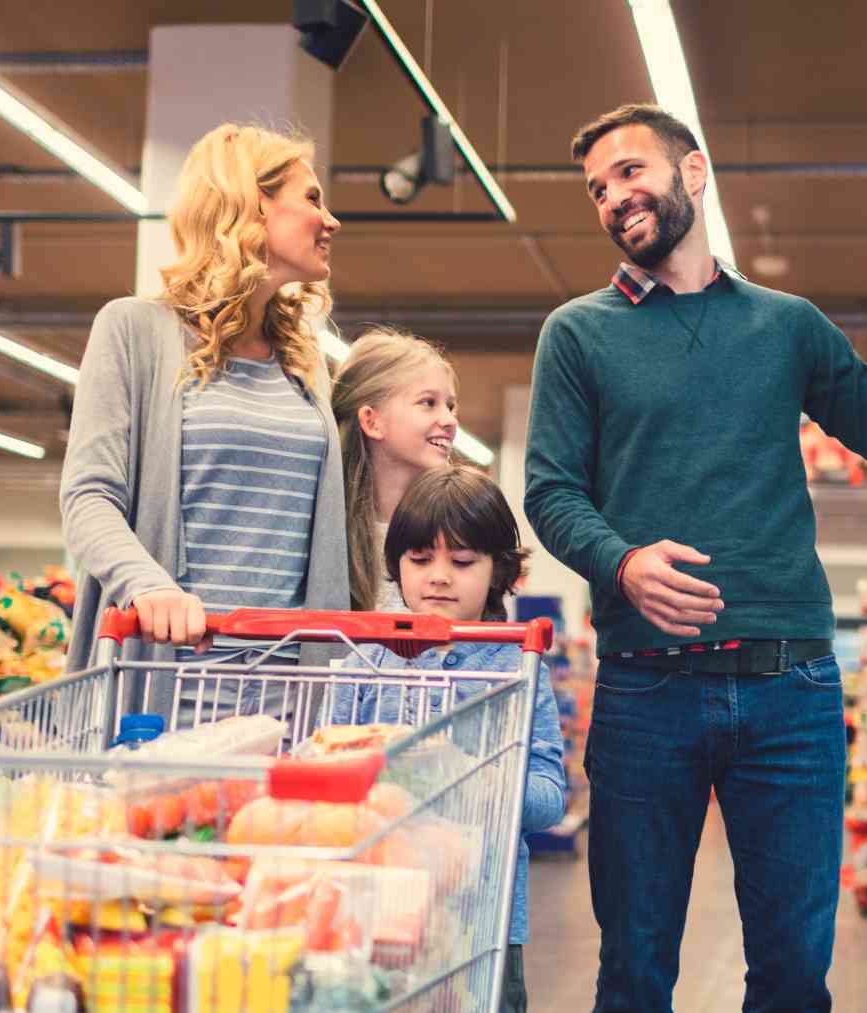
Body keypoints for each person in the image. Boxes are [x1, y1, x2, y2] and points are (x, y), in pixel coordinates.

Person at [523, 104, 867, 1012]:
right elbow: (549, 492)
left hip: (791, 692)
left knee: (790, 976)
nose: (615, 196)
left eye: (629, 171)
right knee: (634, 970)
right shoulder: (577, 335)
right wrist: (620, 564)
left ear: (692, 173)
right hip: (643, 693)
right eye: (598, 188)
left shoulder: (786, 326)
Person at [61, 122, 348, 716]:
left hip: (289, 698)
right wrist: (148, 584)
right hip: (167, 688)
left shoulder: (304, 360)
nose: (331, 221)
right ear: (252, 203)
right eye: (313, 198)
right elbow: (88, 497)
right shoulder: (135, 330)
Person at [328, 465, 565, 1013]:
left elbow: (549, 798)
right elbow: (327, 769)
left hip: (484, 923)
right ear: (396, 565)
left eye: (461, 562)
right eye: (419, 559)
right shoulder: (363, 661)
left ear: (499, 571)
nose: (438, 577)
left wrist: (465, 771)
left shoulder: (518, 670)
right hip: (372, 913)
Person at [331, 328, 461, 613]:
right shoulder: (328, 533)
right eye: (428, 403)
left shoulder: (458, 529)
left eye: (450, 406)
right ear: (372, 421)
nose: (450, 420)